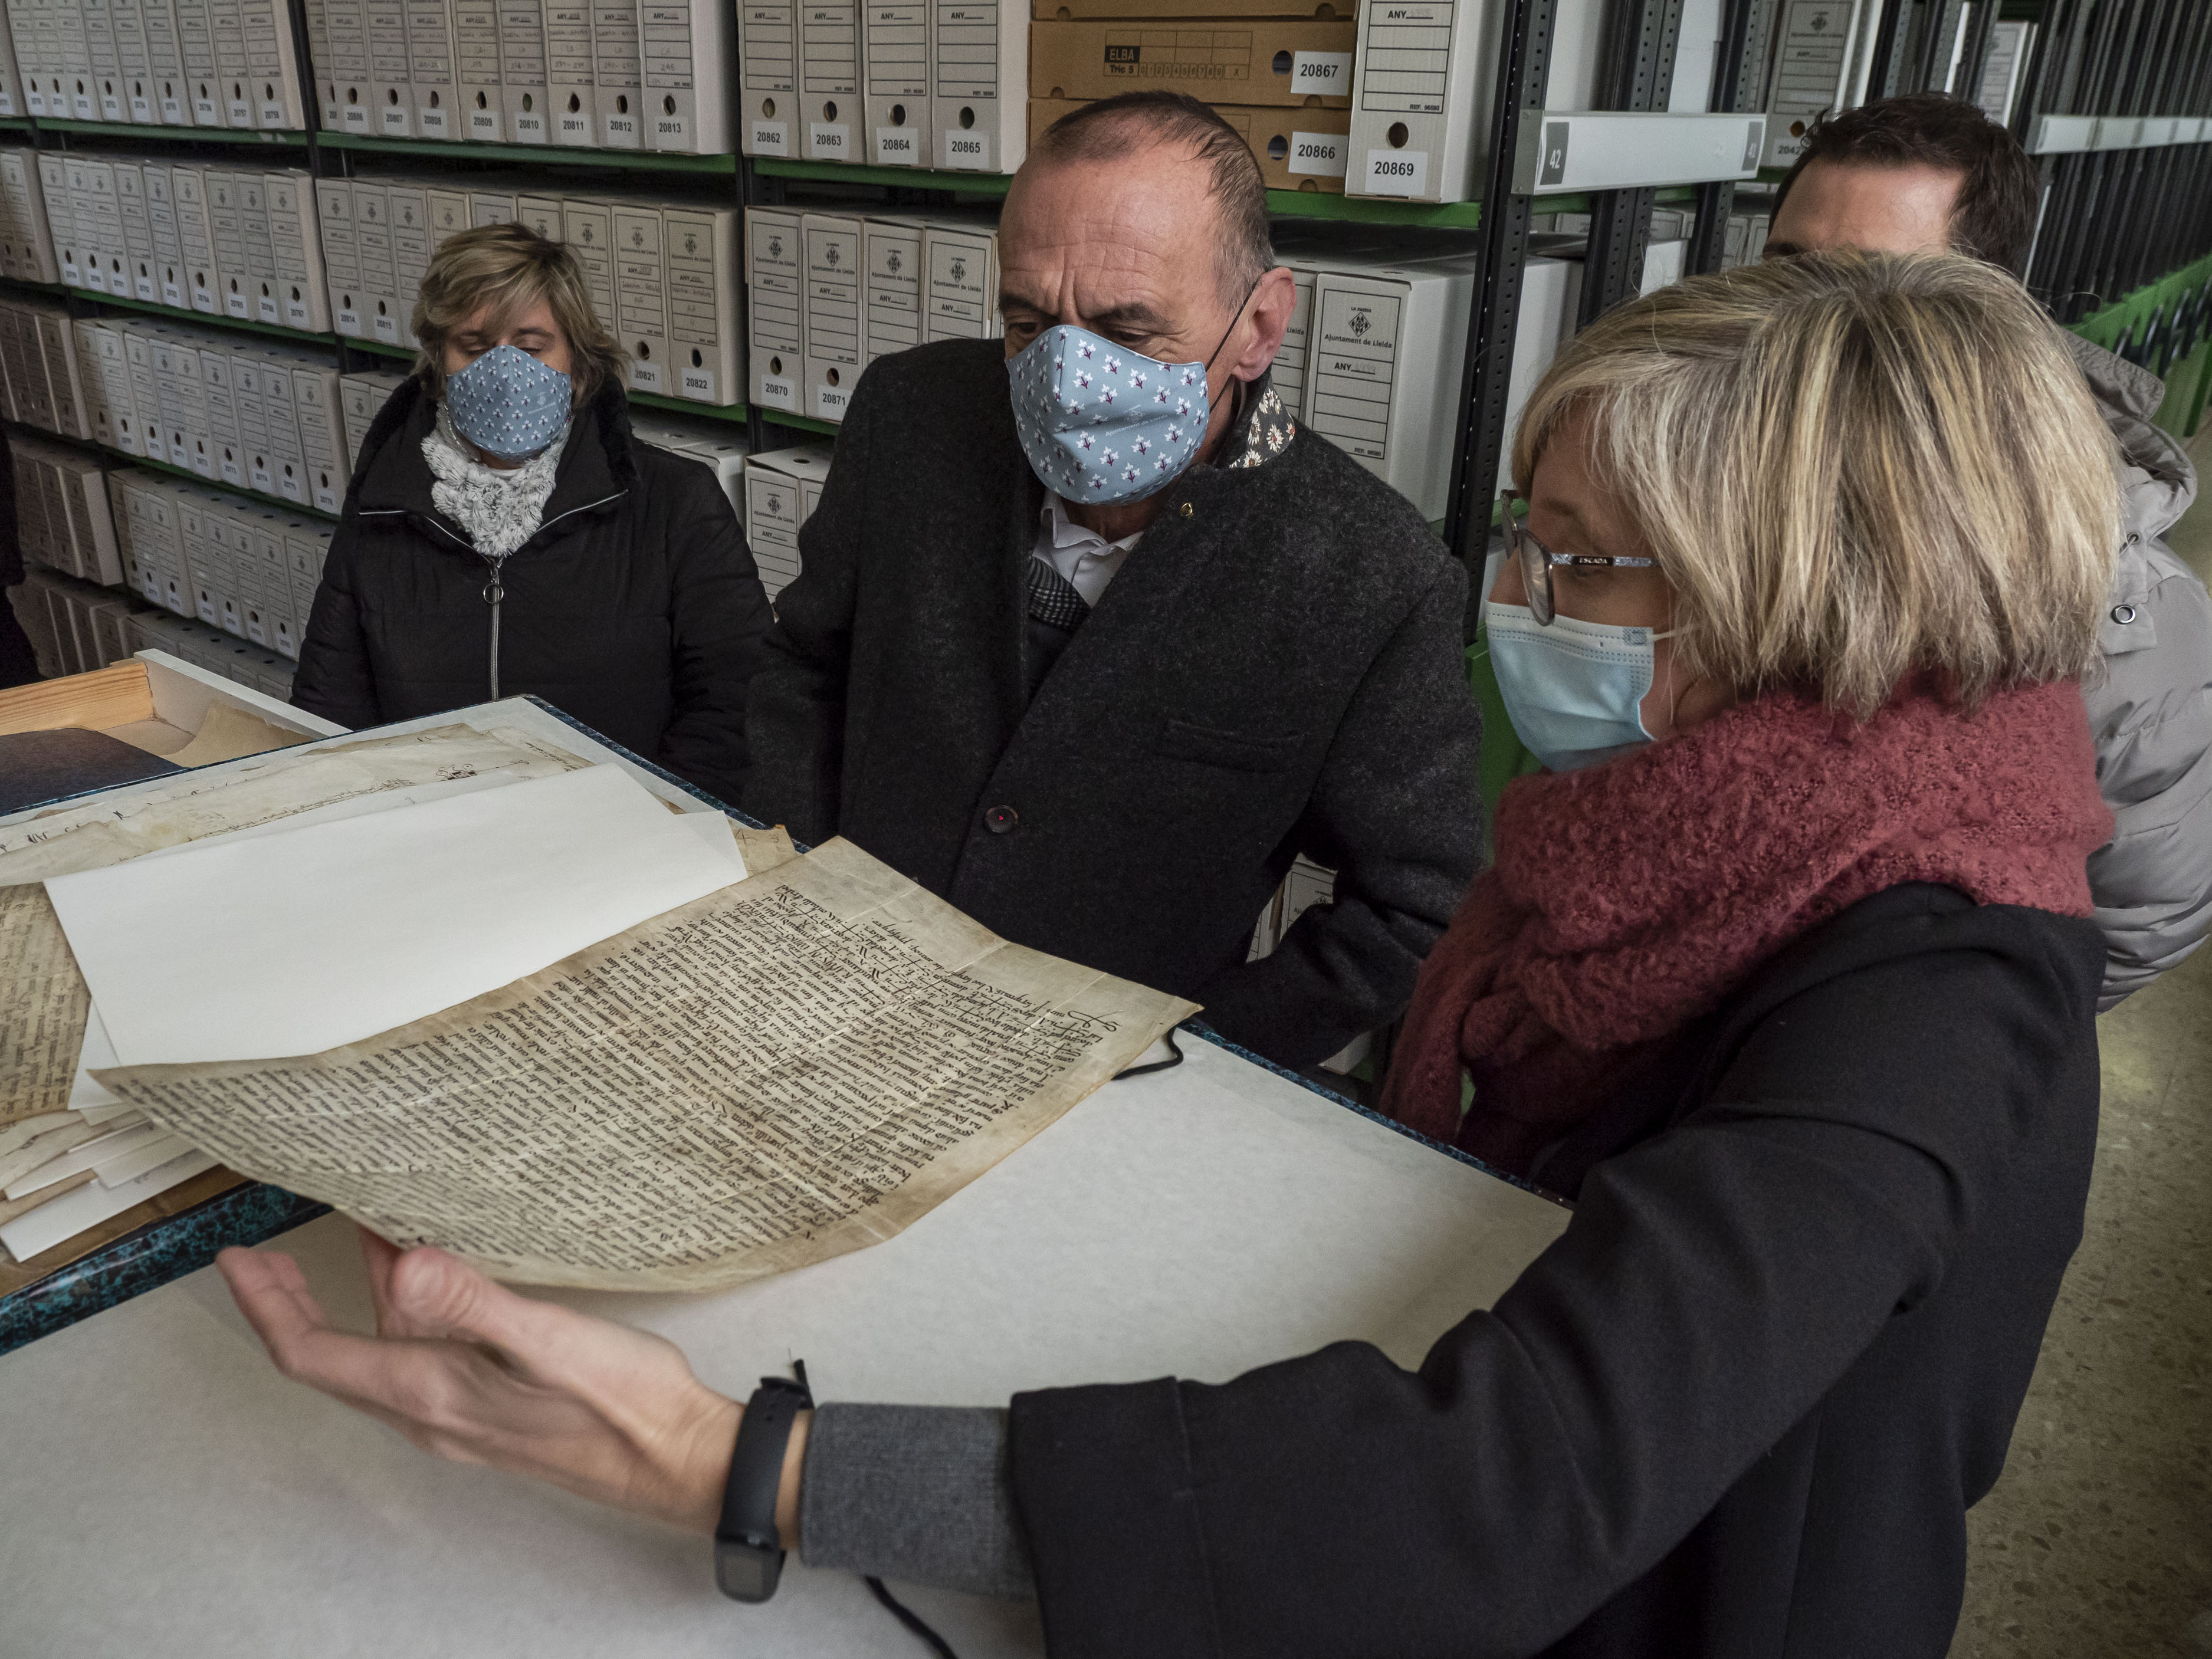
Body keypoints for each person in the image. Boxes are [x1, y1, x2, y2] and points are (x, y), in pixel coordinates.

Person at [219, 250, 2122, 1657]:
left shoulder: (1935, 1003)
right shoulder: (1703, 840)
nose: (1522, 604)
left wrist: (731, 1458)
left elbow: (1499, 1488)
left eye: (1582, 561)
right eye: (1527, 545)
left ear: (1797, 594)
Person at [741, 91, 1480, 1069]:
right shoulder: (910, 415)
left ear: (1260, 325)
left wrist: (1190, 1052)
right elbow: (802, 669)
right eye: (1028, 322)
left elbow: (1417, 904)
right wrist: (802, 889)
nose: (1066, 374)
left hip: (1113, 1080)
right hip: (835, 987)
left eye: (1128, 334)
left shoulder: (1370, 574)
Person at [1764, 90, 2212, 1007]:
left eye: (1869, 281)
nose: (1800, 317)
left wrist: (1935, 1036)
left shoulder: (2114, 593)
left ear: (1982, 305)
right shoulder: (1685, 475)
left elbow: (2143, 911)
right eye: (1786, 269)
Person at [292, 224, 773, 808]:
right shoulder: (384, 507)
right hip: (436, 835)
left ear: (577, 362)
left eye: (531, 345)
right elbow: (330, 714)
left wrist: (644, 820)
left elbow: (737, 705)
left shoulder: (676, 503)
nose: (503, 372)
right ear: (438, 365)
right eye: (474, 348)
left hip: (628, 837)